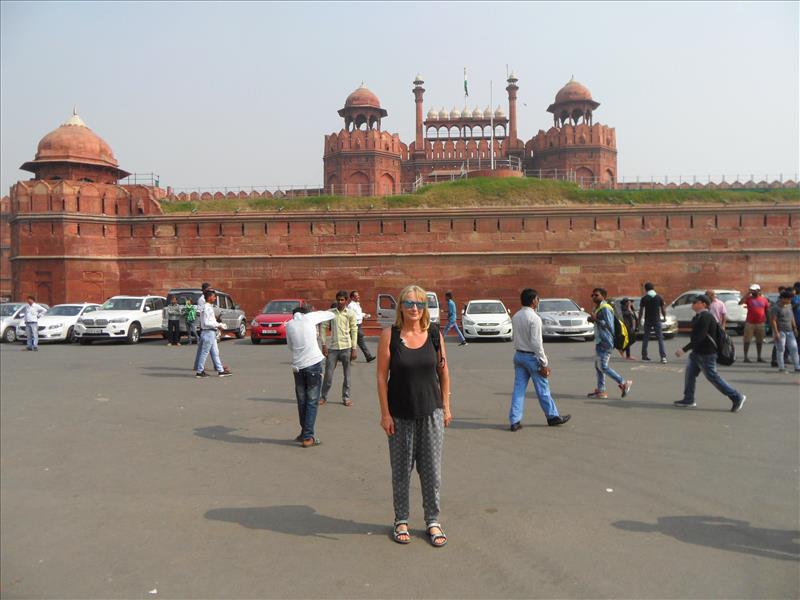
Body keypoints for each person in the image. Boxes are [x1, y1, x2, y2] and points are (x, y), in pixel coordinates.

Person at [377, 285, 451, 547]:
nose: (414, 308)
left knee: (431, 471)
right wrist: (385, 414)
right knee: (401, 471)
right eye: (408, 303)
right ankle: (402, 520)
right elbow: (381, 377)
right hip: (399, 414)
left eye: (419, 304)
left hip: (431, 412)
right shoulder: (390, 335)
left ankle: (432, 520)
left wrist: (446, 406)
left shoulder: (433, 334)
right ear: (400, 306)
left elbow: (443, 372)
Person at [508, 288, 571, 430]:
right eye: (537, 298)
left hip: (519, 355)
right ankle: (552, 416)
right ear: (533, 301)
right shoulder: (534, 318)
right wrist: (544, 363)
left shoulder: (516, 316)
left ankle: (514, 420)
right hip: (532, 357)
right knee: (543, 389)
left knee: (518, 389)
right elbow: (537, 343)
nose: (538, 301)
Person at [674, 294, 746, 411]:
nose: (693, 304)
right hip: (697, 353)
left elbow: (700, 337)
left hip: (706, 354)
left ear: (703, 304)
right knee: (690, 375)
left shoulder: (706, 317)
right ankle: (689, 399)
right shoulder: (698, 316)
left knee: (713, 377)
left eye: (695, 302)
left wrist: (684, 349)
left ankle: (736, 397)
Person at [286, 306, 336, 447]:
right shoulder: (309, 318)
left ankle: (304, 433)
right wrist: (334, 309)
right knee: (312, 401)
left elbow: (290, 346)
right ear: (305, 313)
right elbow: (328, 314)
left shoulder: (289, 324)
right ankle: (308, 437)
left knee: (302, 401)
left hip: (297, 367)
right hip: (313, 364)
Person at [587, 288, 633, 399]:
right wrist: (593, 319)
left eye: (596, 295)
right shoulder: (598, 308)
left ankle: (623, 382)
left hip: (606, 341)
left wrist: (596, 319)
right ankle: (601, 391)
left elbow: (609, 326)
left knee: (603, 366)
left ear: (603, 296)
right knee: (598, 367)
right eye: (592, 295)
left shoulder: (605, 308)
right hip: (600, 341)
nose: (593, 297)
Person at [320, 290, 358, 406]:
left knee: (347, 375)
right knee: (328, 375)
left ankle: (346, 397)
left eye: (342, 300)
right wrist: (323, 344)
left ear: (346, 300)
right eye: (338, 300)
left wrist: (354, 348)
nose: (340, 302)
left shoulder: (350, 313)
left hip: (346, 347)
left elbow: (354, 330)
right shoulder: (330, 313)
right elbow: (323, 327)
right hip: (333, 348)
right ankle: (323, 396)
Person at [195, 289, 232, 378]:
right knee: (205, 352)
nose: (215, 298)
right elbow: (208, 322)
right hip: (209, 332)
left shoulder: (204, 307)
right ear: (209, 297)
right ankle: (199, 371)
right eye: (214, 296)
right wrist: (219, 325)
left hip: (208, 332)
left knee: (215, 352)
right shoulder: (207, 308)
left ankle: (220, 370)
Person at [769, 290, 800, 373]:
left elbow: (792, 317)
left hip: (790, 330)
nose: (790, 301)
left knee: (794, 348)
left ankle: (797, 366)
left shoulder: (789, 305)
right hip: (780, 331)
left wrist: (794, 328)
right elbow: (773, 321)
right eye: (788, 299)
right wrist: (776, 333)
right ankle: (781, 367)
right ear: (783, 298)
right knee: (781, 349)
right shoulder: (776, 308)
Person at [638, 282, 667, 363]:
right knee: (660, 338)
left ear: (645, 289)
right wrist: (664, 317)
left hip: (648, 320)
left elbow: (641, 311)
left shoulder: (644, 298)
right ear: (653, 288)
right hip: (657, 320)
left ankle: (644, 356)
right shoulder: (659, 297)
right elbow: (662, 309)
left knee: (646, 338)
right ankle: (663, 357)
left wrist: (639, 321)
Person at [739, 283, 769, 363]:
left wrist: (767, 321)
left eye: (754, 291)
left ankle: (759, 357)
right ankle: (745, 357)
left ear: (759, 291)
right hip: (750, 323)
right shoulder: (749, 298)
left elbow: (767, 310)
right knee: (747, 340)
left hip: (760, 323)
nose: (753, 292)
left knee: (759, 341)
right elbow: (740, 303)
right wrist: (747, 294)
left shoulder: (764, 299)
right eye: (752, 291)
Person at [348, 290, 375, 363]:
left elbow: (358, 313)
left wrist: (364, 315)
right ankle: (347, 358)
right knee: (356, 341)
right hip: (355, 325)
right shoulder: (351, 306)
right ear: (352, 297)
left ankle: (368, 356)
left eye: (358, 295)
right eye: (356, 296)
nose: (358, 297)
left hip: (359, 325)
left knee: (357, 342)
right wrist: (360, 317)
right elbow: (351, 316)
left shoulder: (357, 304)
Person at [193, 283, 212, 366]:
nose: (210, 291)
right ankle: (218, 367)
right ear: (204, 290)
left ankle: (197, 365)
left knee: (205, 348)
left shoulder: (206, 298)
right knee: (206, 348)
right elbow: (200, 312)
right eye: (208, 289)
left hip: (208, 326)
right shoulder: (202, 300)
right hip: (205, 326)